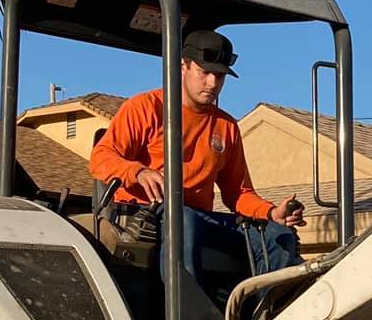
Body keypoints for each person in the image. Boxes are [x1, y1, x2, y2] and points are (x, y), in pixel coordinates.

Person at [89, 29, 305, 292]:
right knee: (183, 220)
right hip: (146, 215)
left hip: (200, 218)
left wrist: (271, 213)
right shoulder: (145, 108)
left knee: (277, 236)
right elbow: (100, 159)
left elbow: (238, 193)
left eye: (220, 75)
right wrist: (139, 172)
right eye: (205, 72)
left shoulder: (226, 126)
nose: (213, 83)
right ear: (183, 67)